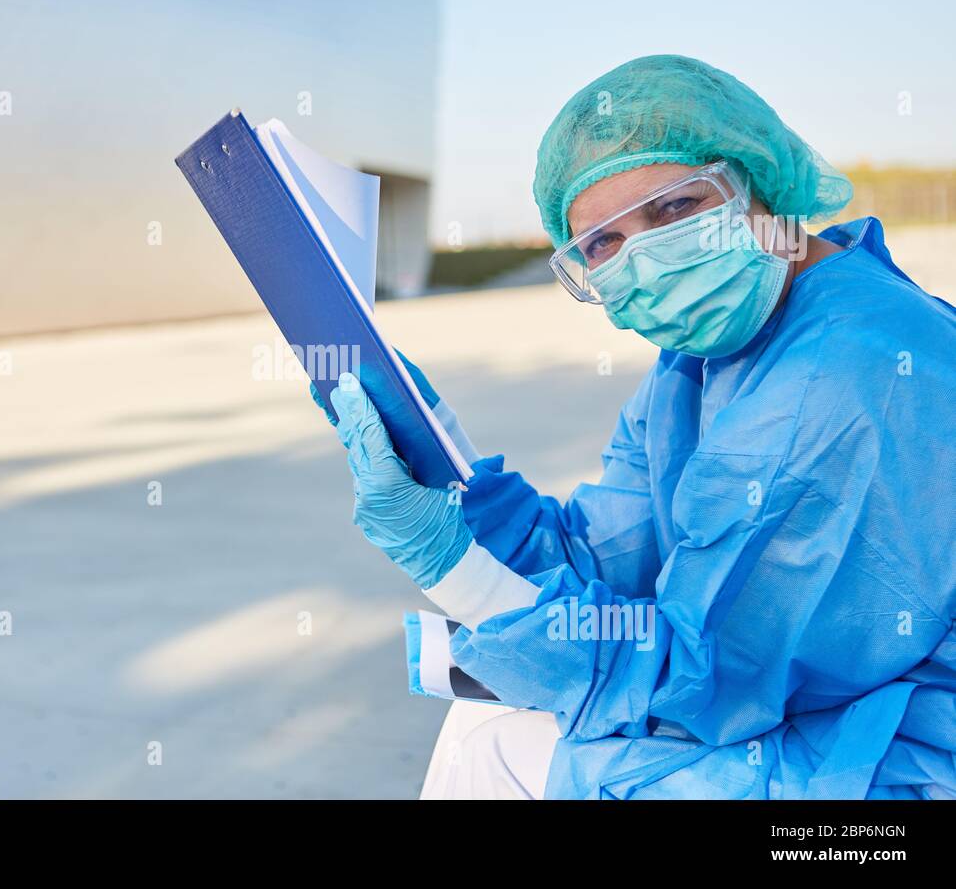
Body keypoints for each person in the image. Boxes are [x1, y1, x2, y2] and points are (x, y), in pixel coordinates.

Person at [313, 55, 956, 799]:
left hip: (899, 765)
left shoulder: (842, 377)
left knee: (495, 748)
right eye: (602, 245)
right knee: (489, 729)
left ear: (755, 184)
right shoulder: (703, 358)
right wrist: (443, 472)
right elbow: (603, 552)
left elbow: (704, 681)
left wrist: (453, 569)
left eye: (673, 211)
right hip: (834, 717)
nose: (642, 257)